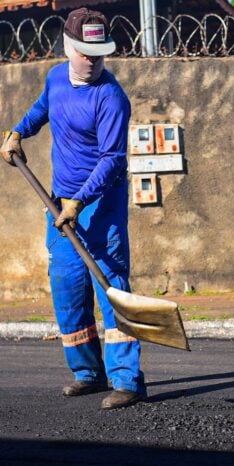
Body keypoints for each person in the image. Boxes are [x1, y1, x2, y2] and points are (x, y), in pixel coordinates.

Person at [1, 8, 146, 410]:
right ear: (67, 48)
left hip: (101, 204)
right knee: (67, 284)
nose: (92, 60)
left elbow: (112, 158)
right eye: (84, 52)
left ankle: (128, 381)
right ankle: (88, 373)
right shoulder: (56, 80)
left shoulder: (111, 97)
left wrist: (79, 201)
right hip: (59, 201)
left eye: (98, 53)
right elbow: (43, 107)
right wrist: (17, 132)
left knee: (110, 284)